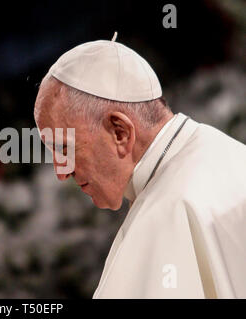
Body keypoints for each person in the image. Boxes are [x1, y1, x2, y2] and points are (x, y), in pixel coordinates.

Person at [33, 34, 246, 298]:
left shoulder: (169, 214)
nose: (61, 172)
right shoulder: (228, 153)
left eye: (64, 148)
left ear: (120, 132)